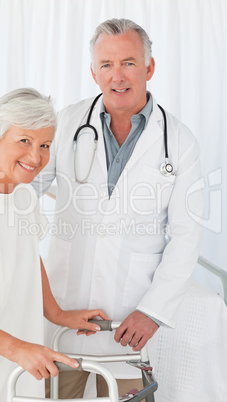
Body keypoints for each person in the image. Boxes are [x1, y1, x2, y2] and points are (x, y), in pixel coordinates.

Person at [30, 18, 205, 399]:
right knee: (61, 397)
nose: (117, 76)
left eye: (128, 62)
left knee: (131, 394)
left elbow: (187, 233)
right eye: (106, 65)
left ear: (149, 68)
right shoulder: (66, 124)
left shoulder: (179, 141)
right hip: (66, 307)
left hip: (133, 315)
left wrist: (154, 311)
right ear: (94, 73)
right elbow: (26, 186)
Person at [0, 88, 108, 402]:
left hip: (19, 373)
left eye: (45, 145)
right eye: (24, 141)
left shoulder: (21, 193)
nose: (35, 157)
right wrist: (19, 349)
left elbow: (27, 255)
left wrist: (56, 313)